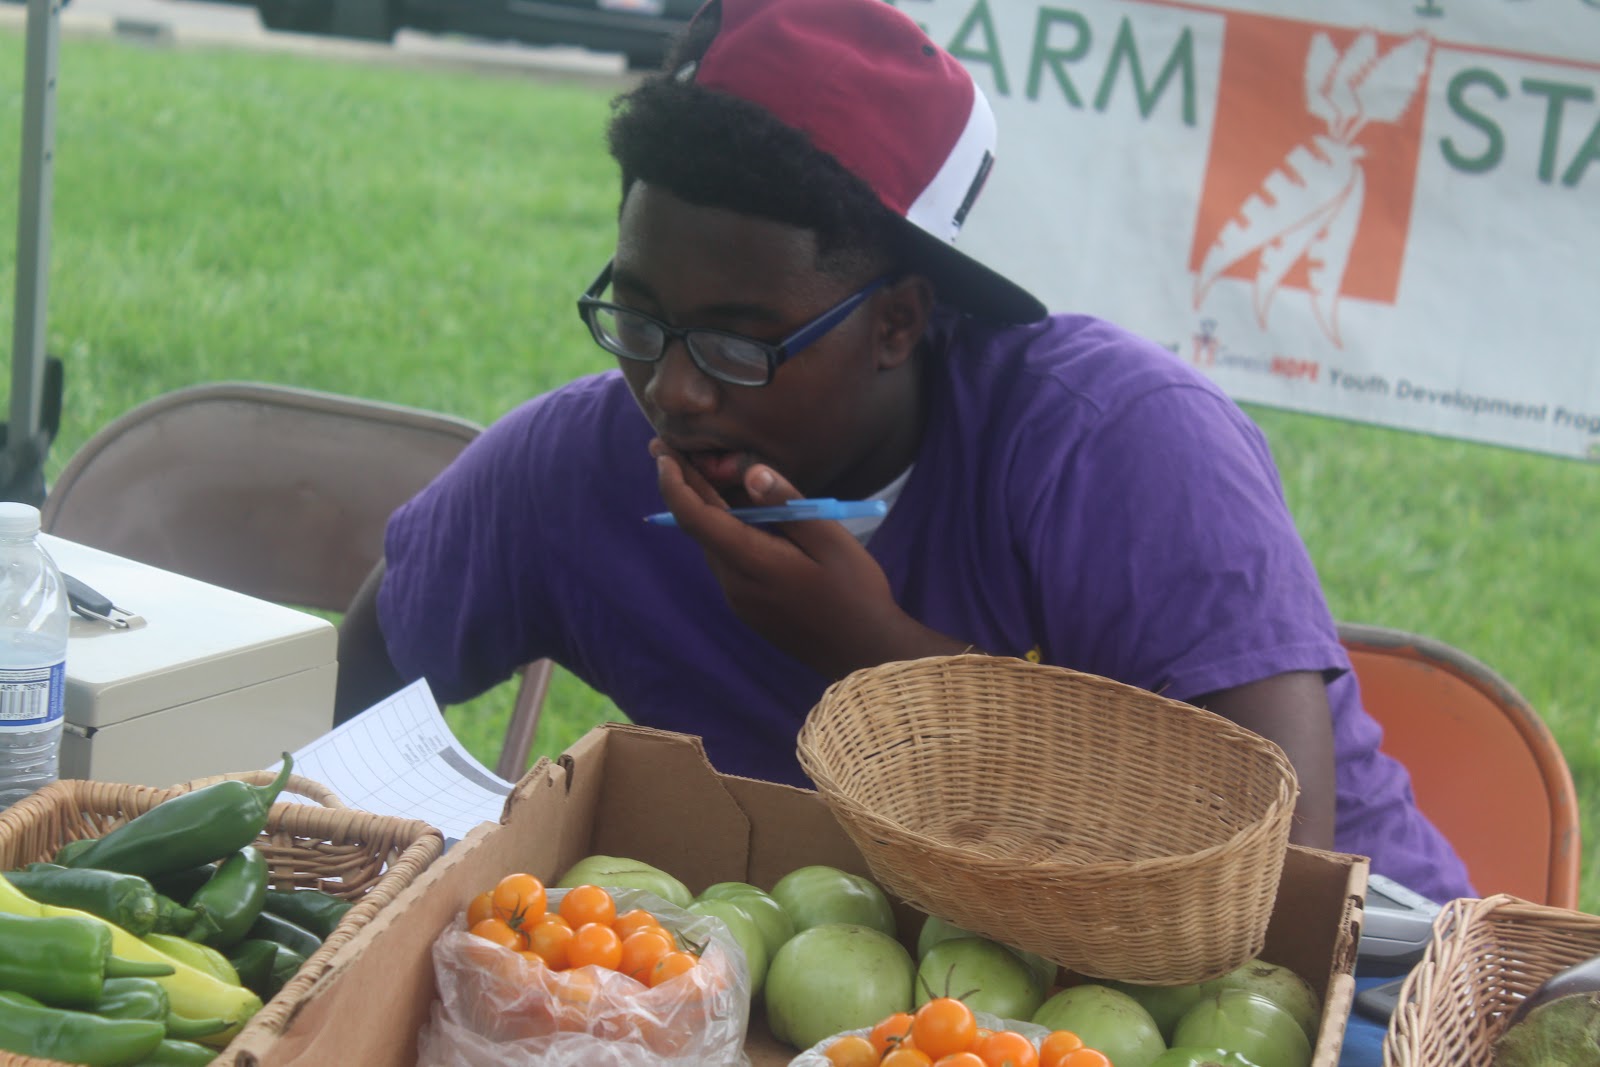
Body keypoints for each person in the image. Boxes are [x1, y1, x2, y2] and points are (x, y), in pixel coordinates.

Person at [335, 0, 1474, 903]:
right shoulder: (576, 469)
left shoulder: (1117, 446)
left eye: (741, 342)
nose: (673, 388)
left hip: (1352, 986)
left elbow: (1275, 868)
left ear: (900, 322)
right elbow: (361, 673)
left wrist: (881, 664)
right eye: (636, 318)